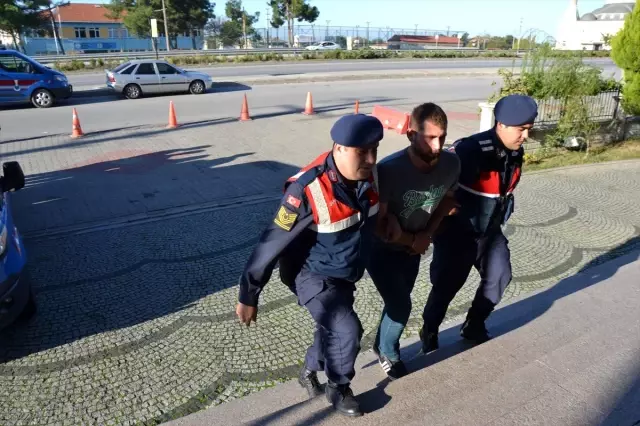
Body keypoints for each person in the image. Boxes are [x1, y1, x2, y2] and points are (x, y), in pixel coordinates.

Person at [235, 114, 383, 418]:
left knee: (330, 328)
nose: (370, 159)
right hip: (310, 275)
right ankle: (339, 387)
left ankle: (308, 370)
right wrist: (249, 294)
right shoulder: (307, 190)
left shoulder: (369, 176)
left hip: (344, 272)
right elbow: (270, 243)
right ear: (339, 148)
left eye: (374, 150)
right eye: (361, 151)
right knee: (346, 330)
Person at [420, 94, 538, 353]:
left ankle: (474, 324)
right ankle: (429, 331)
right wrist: (429, 228)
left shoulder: (514, 152)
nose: (525, 136)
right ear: (501, 124)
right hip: (458, 234)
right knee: (446, 287)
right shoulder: (470, 150)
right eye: (521, 130)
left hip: (489, 232)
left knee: (499, 276)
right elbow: (436, 184)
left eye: (528, 130)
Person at [366, 103, 460, 380]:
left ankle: (380, 342)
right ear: (410, 134)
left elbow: (447, 201)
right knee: (401, 305)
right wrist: (413, 239)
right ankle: (388, 351)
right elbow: (380, 225)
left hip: (412, 249)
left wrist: (426, 235)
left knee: (398, 298)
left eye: (442, 137)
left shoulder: (451, 163)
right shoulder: (389, 170)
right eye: (430, 137)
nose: (437, 145)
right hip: (381, 250)